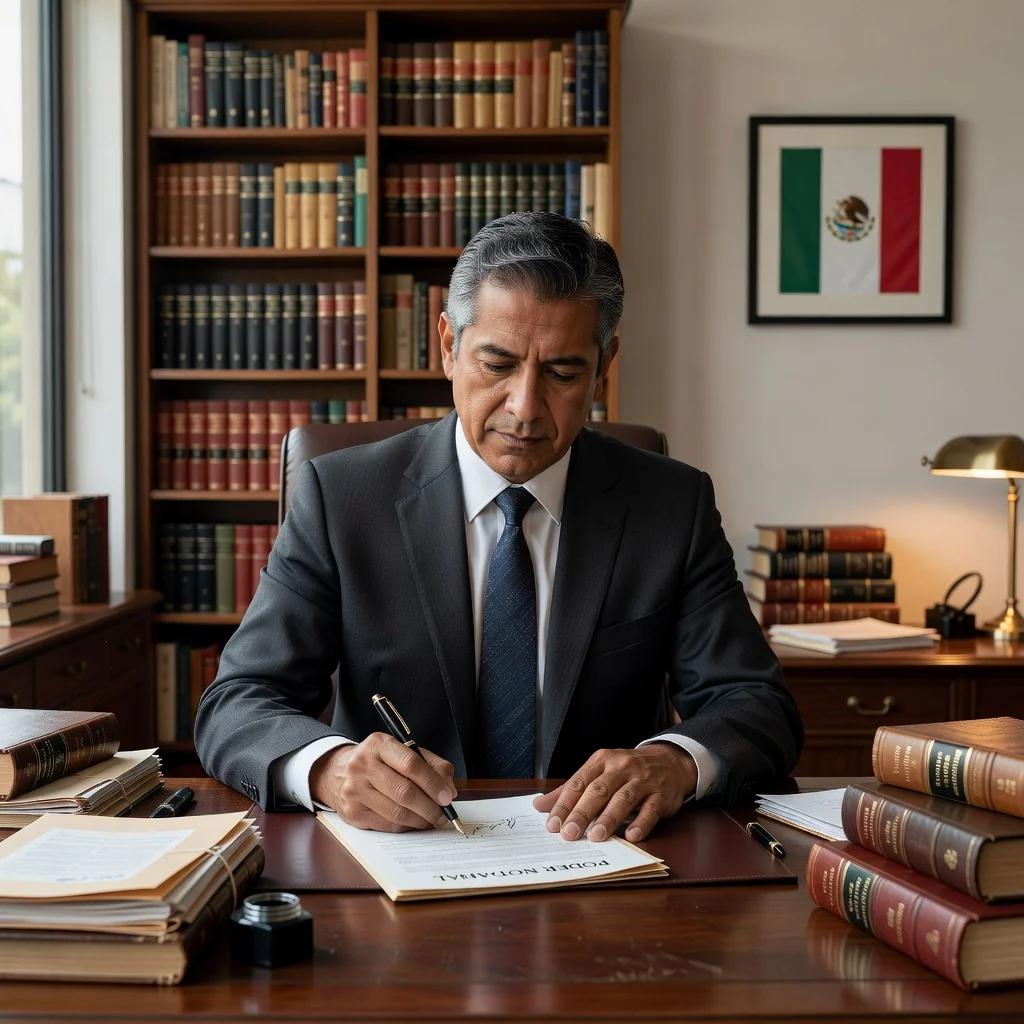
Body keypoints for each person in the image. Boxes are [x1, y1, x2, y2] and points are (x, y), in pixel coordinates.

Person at [195, 212, 802, 844]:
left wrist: (675, 762)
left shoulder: (671, 505)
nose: (524, 407)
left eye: (563, 374)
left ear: (604, 366)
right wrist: (328, 767)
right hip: (401, 861)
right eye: (497, 364)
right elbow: (238, 702)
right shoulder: (342, 498)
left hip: (601, 862)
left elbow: (757, 707)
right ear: (448, 346)